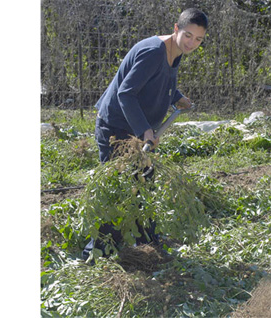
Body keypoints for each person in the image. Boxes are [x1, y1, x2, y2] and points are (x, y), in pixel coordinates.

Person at [82, 8, 208, 261]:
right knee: (115, 190)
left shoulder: (174, 51)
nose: (192, 43)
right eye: (188, 35)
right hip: (117, 129)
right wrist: (145, 130)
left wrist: (176, 96)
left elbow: (155, 82)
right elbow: (126, 93)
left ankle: (146, 242)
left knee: (143, 184)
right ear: (176, 29)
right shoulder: (153, 52)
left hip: (136, 130)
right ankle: (96, 252)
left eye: (198, 39)